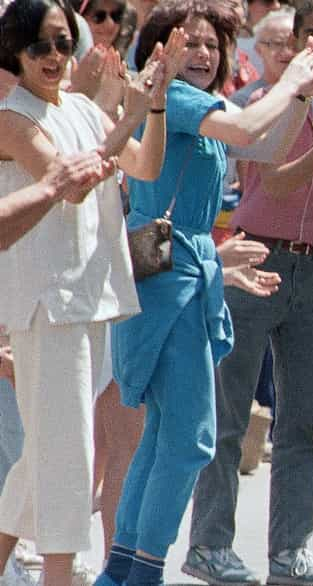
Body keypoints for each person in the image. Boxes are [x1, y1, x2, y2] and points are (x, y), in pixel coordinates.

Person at [99, 0, 313, 582]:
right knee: (191, 439)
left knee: (166, 433)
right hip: (170, 279)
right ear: (159, 51)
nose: (203, 54)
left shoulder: (191, 105)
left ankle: (123, 571)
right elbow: (245, 128)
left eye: (212, 45)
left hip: (183, 274)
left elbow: (262, 145)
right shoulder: (178, 99)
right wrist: (292, 77)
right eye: (189, 42)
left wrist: (307, 91)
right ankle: (139, 571)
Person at [182, 2, 313, 584]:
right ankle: (209, 545)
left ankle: (289, 552)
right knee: (228, 415)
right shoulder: (264, 105)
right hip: (256, 261)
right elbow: (270, 183)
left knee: (303, 422)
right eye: (312, 37)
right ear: (295, 43)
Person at [0, 0, 180, 581]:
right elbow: (70, 183)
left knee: (41, 460)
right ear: (16, 54)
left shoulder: (79, 108)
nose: (54, 57)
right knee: (70, 458)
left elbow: (147, 166)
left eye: (61, 43)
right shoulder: (12, 118)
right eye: (39, 47)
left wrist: (153, 100)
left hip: (92, 301)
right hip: (46, 307)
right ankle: (61, 573)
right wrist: (129, 111)